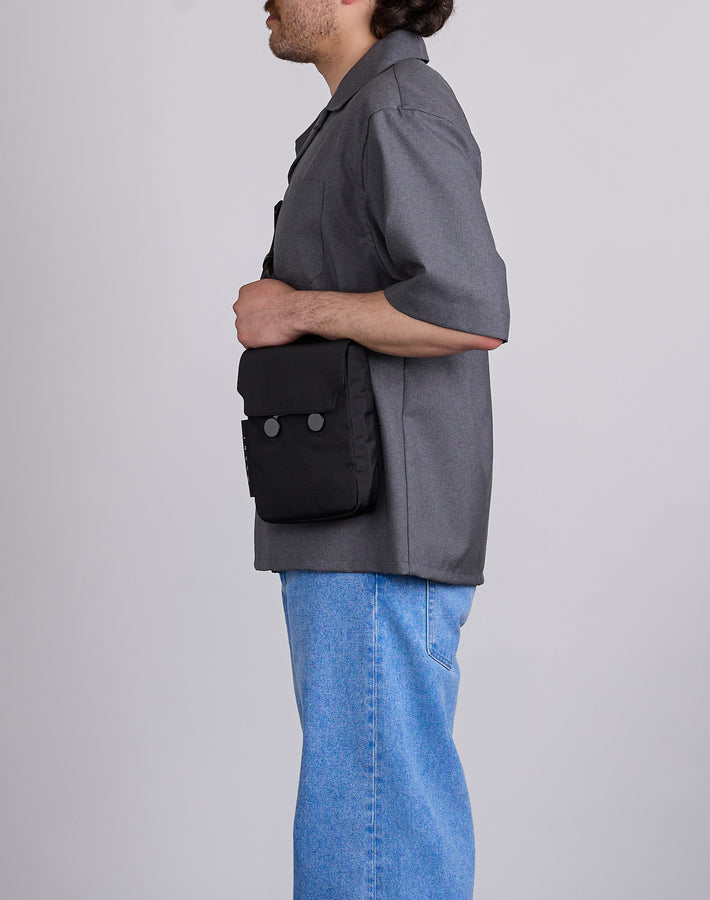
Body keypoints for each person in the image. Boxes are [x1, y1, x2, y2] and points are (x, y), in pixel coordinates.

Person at [233, 1, 510, 896]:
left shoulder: (397, 107)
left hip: (380, 537)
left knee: (371, 828)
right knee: (360, 814)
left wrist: (294, 309)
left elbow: (468, 308)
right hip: (345, 523)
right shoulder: (356, 114)